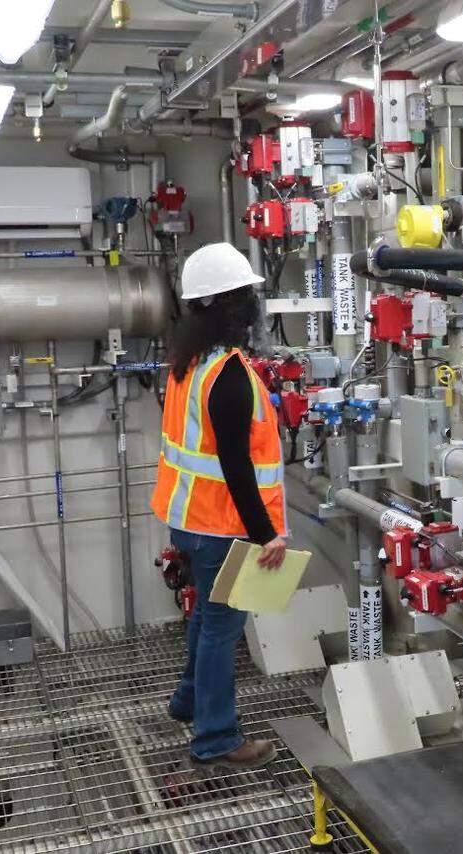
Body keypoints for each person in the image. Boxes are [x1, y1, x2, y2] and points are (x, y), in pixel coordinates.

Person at [151, 242, 288, 771]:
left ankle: (187, 702)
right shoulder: (228, 376)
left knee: (206, 620)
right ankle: (215, 738)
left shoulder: (187, 365)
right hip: (221, 526)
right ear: (231, 304)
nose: (254, 303)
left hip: (187, 519)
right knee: (220, 631)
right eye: (247, 295)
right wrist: (266, 535)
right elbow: (235, 468)